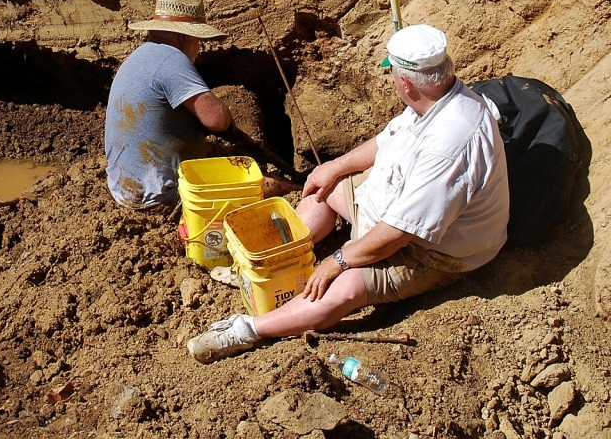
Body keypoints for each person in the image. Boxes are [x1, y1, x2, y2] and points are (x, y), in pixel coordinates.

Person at [187, 24, 510, 363]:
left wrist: (338, 260)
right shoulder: (435, 98)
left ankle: (248, 329)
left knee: (344, 288)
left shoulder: (450, 143)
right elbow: (387, 140)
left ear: (405, 83)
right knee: (322, 192)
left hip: (431, 251)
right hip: (390, 205)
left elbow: (399, 234)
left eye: (393, 76)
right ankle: (270, 261)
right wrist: (335, 167)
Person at [104, 0, 234, 210]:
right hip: (159, 197)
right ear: (184, 37)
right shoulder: (171, 59)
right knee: (265, 186)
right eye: (197, 41)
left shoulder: (142, 55)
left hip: (124, 189)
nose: (198, 49)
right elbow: (217, 120)